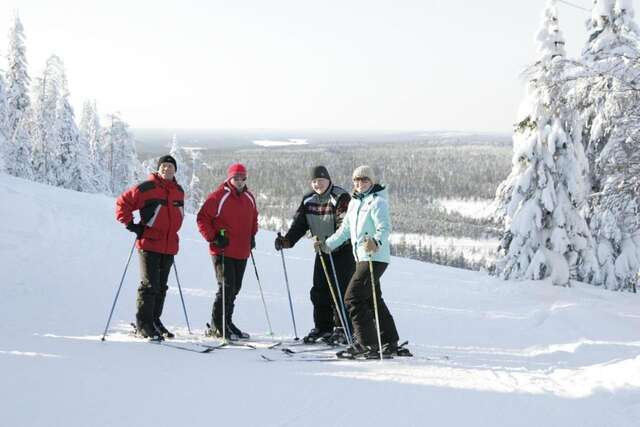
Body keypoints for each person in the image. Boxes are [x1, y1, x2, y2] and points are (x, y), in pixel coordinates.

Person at [315, 165, 410, 358]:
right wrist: (327, 245)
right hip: (362, 257)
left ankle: (367, 344)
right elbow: (345, 231)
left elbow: (384, 227)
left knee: (352, 298)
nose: (360, 183)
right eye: (356, 180)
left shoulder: (377, 202)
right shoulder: (355, 203)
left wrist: (376, 241)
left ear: (371, 181)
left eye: (364, 180)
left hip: (375, 257)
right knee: (372, 298)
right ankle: (389, 340)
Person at [275, 165, 355, 344]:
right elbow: (299, 225)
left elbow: (344, 225)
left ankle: (343, 328)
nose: (318, 184)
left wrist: (331, 242)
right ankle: (323, 327)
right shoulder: (308, 199)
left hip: (342, 251)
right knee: (319, 291)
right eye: (314, 181)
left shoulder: (340, 196)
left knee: (340, 291)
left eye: (321, 180)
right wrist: (287, 241)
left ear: (328, 180)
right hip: (321, 251)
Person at [115, 155, 185, 341]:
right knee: (149, 285)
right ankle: (143, 324)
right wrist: (133, 225)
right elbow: (123, 203)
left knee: (162, 287)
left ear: (175, 170)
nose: (167, 169)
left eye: (170, 166)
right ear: (158, 168)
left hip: (169, 246)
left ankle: (154, 320)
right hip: (149, 243)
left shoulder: (179, 191)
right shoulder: (147, 187)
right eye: (163, 166)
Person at [197, 163, 258, 340]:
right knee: (226, 287)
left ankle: (227, 322)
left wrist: (252, 235)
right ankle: (217, 325)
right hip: (222, 249)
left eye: (242, 178)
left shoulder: (249, 197)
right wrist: (214, 237)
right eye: (236, 178)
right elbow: (202, 218)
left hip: (242, 250)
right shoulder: (219, 196)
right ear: (229, 178)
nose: (239, 181)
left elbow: (254, 218)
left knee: (235, 289)